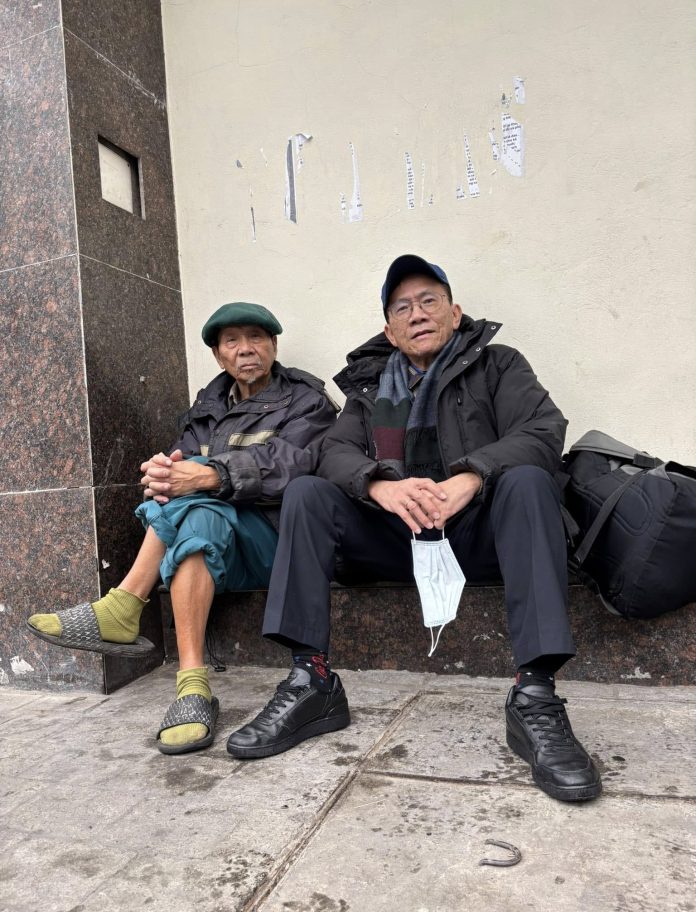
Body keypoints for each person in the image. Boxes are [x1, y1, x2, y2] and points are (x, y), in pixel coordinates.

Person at [226, 255, 602, 803]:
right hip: (394, 538)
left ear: (455, 313)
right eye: (402, 307)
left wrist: (471, 476)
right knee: (307, 492)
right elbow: (334, 452)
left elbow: (544, 431)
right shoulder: (369, 386)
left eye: (429, 301)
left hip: (477, 536)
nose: (417, 314)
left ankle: (536, 696)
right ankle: (311, 681)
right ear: (389, 330)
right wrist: (380, 484)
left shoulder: (497, 365)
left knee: (527, 481)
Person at [27, 302, 337, 755]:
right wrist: (163, 475)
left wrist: (206, 475)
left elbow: (296, 464)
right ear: (218, 355)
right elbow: (181, 468)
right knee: (197, 518)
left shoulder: (307, 400)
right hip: (217, 543)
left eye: (256, 337)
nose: (246, 349)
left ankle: (124, 604)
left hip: (280, 546)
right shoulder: (205, 409)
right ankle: (192, 686)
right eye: (232, 341)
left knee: (196, 491)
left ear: (273, 345)